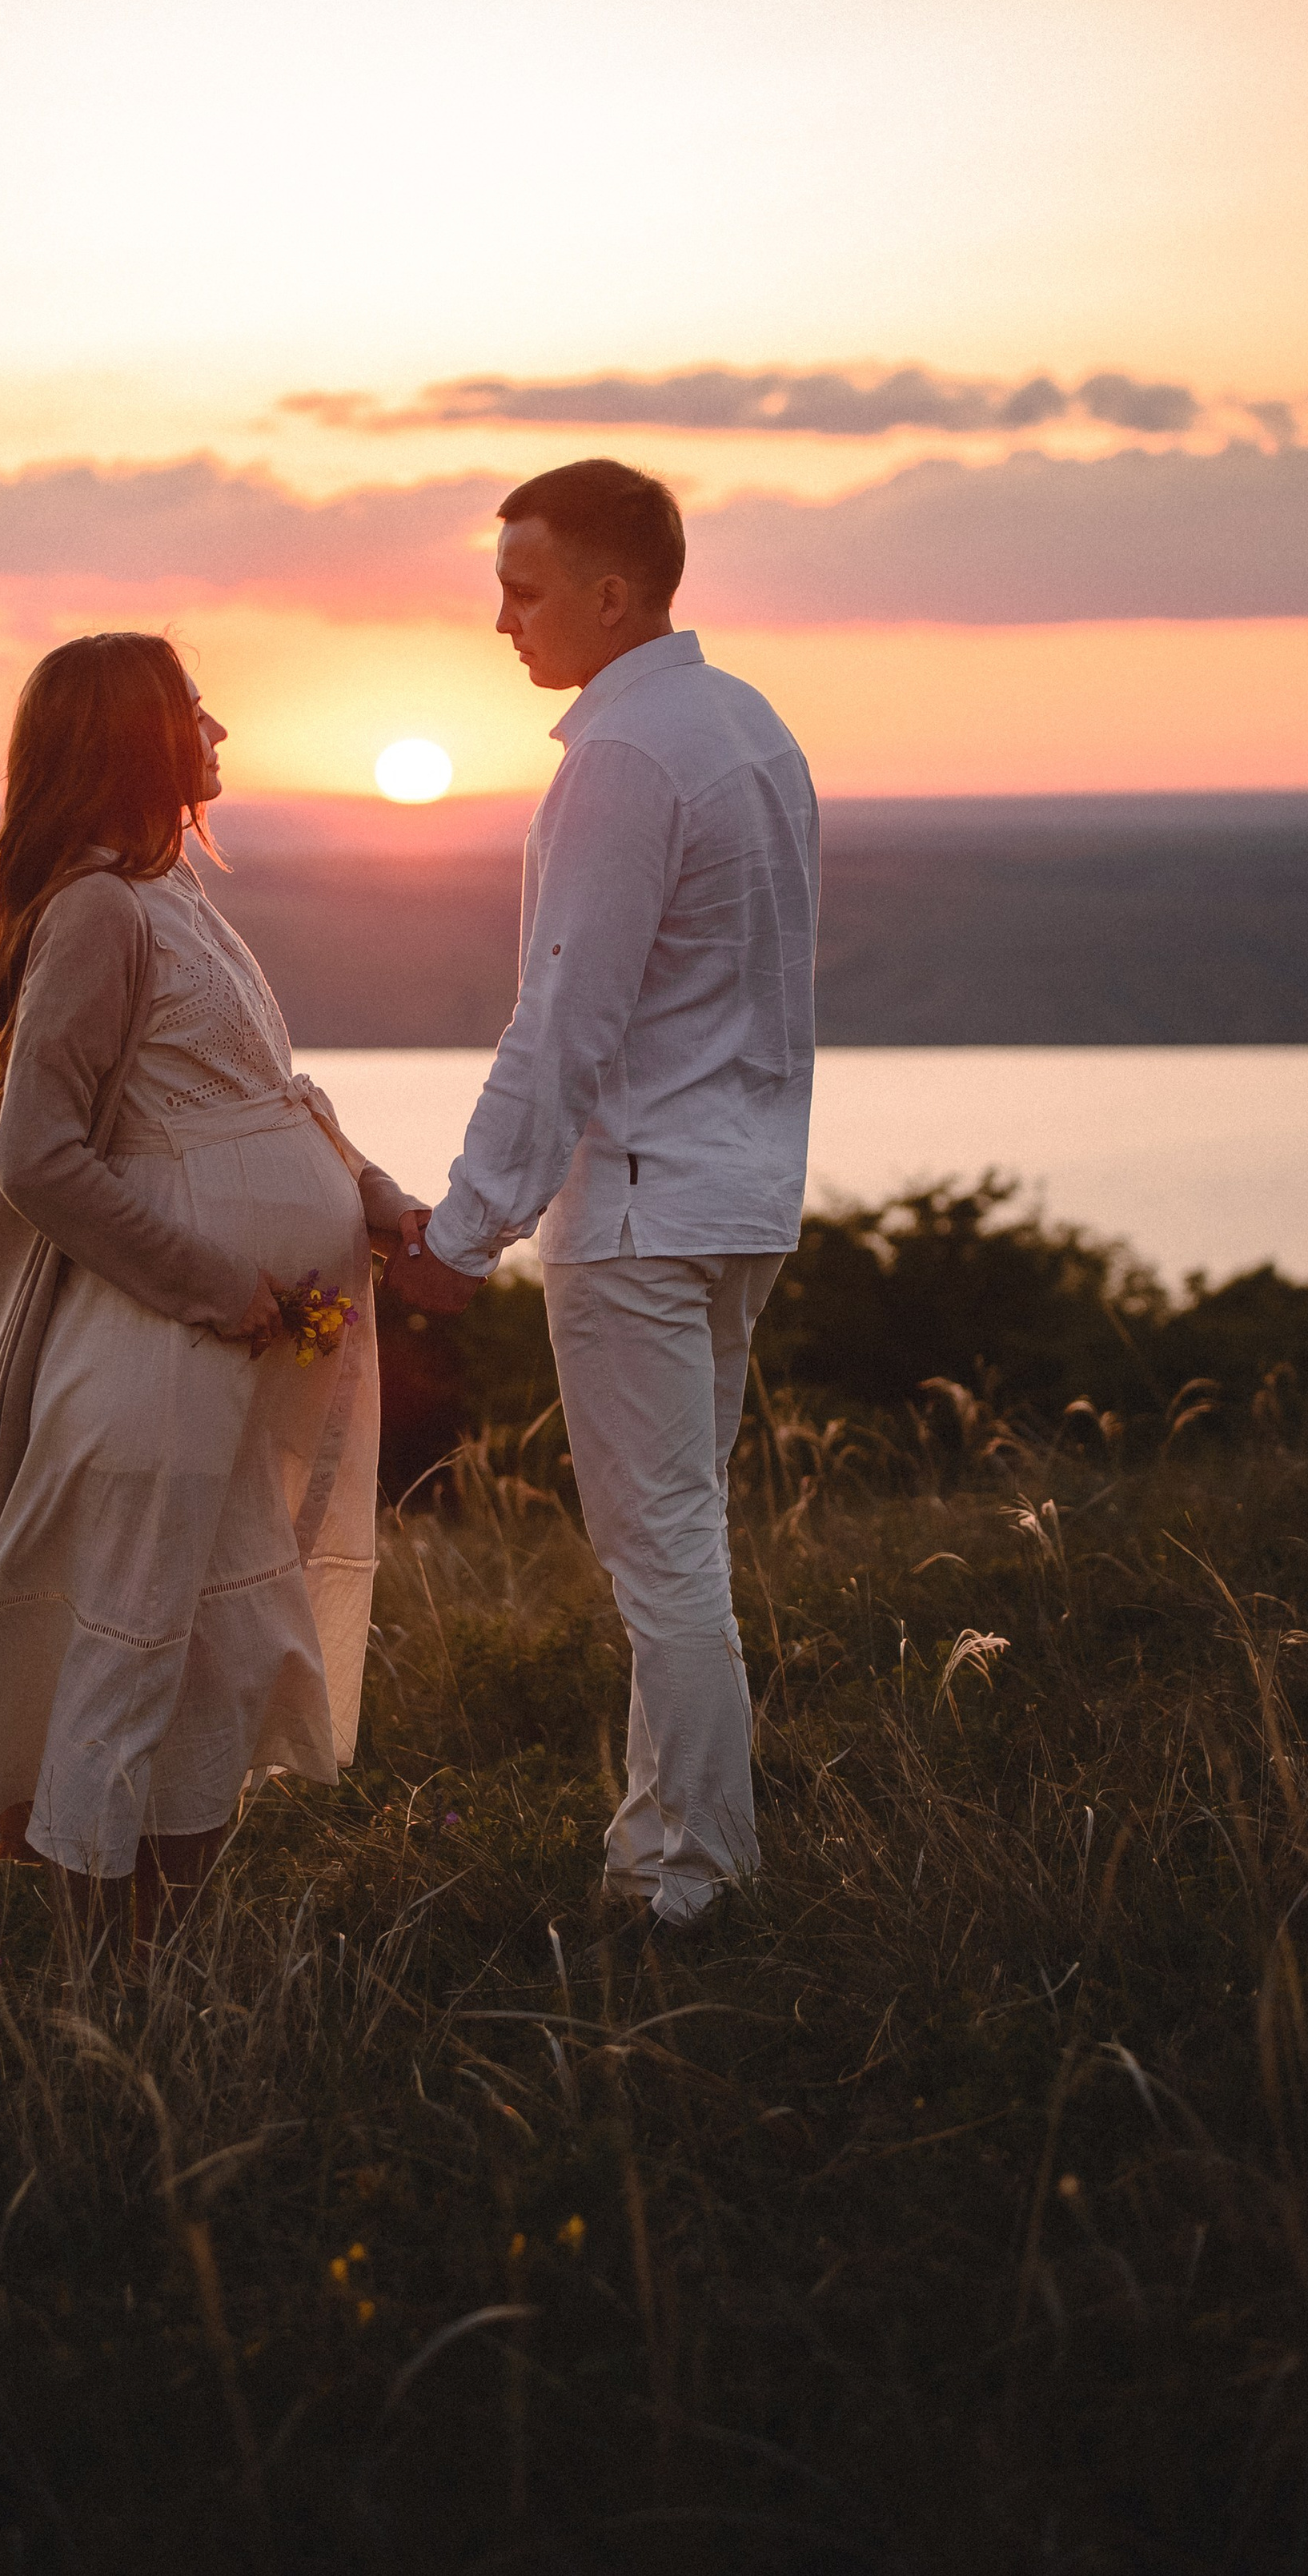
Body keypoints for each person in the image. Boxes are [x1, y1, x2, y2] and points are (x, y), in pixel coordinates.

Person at [0, 632, 425, 1960]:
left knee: (226, 1662)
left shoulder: (177, 898)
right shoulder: (95, 909)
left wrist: (374, 1197)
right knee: (132, 1660)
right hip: (154, 1355)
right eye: (196, 710)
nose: (222, 730)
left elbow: (274, 1100)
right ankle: (106, 1985)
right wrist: (211, 1283)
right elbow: (38, 1155)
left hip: (226, 1356)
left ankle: (166, 1964)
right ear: (136, 737)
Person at [387, 459, 818, 1957]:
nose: (501, 617)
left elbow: (563, 1020)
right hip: (741, 1199)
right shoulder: (751, 729)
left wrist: (461, 1231)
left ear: (613, 592)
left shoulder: (625, 760)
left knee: (665, 1565)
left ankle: (698, 1884)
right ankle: (655, 1853)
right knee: (680, 1545)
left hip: (639, 1214)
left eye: (524, 584)